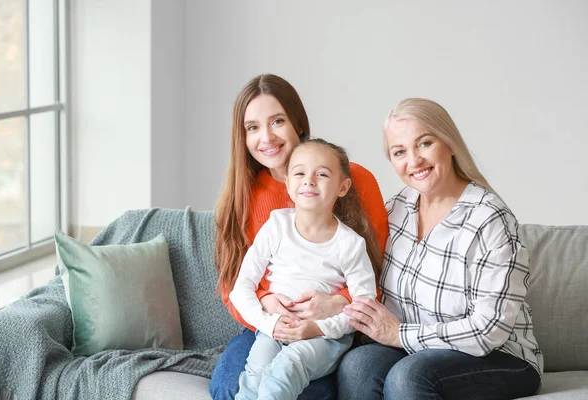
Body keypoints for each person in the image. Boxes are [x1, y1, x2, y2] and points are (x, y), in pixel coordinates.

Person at [338, 98, 543, 400]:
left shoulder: (489, 218)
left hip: (502, 357)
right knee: (358, 365)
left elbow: (488, 331)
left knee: (409, 376)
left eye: (424, 143)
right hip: (417, 349)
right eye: (400, 152)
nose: (414, 160)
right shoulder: (395, 210)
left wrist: (400, 335)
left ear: (449, 143)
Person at [210, 74, 388, 400]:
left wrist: (337, 303)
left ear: (297, 124)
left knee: (300, 388)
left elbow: (377, 270)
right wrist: (266, 304)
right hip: (266, 325)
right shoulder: (243, 198)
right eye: (252, 127)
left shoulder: (350, 178)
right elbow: (233, 287)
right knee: (229, 386)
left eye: (277, 121)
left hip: (331, 330)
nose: (266, 137)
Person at [230, 139, 379, 400]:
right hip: (275, 329)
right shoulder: (276, 226)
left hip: (324, 339)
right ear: (287, 183)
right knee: (255, 375)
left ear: (342, 187)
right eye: (300, 173)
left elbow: (364, 305)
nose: (309, 180)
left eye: (321, 174)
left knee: (288, 366)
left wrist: (318, 329)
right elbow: (240, 290)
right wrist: (271, 324)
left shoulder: (351, 245)